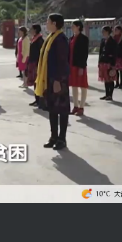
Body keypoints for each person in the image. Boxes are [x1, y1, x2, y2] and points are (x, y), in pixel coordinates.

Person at [37, 13, 71, 150]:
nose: (46, 24)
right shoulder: (51, 37)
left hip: (58, 80)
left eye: (48, 21)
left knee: (62, 110)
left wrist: (57, 80)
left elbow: (62, 62)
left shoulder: (61, 39)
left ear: (54, 24)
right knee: (52, 109)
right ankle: (53, 137)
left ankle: (62, 139)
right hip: (49, 79)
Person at [69, 20, 89, 116]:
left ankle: (81, 107)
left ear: (78, 27)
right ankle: (75, 106)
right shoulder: (71, 38)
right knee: (74, 86)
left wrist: (82, 66)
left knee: (83, 86)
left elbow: (85, 54)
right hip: (72, 64)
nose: (72, 27)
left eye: (73, 26)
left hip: (80, 65)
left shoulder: (84, 39)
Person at [98, 25, 118, 101]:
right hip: (103, 62)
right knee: (105, 79)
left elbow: (115, 54)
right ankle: (107, 94)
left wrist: (113, 64)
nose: (102, 33)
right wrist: (99, 61)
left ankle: (110, 95)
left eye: (103, 31)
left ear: (107, 32)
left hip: (109, 62)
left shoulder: (113, 41)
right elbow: (100, 52)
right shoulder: (103, 40)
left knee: (110, 79)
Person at [27, 24, 44, 106]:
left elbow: (41, 53)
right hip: (32, 62)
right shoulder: (34, 38)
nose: (30, 30)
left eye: (32, 29)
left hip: (36, 63)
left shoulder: (40, 40)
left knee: (37, 82)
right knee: (34, 82)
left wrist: (38, 64)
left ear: (35, 30)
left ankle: (39, 100)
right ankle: (36, 99)